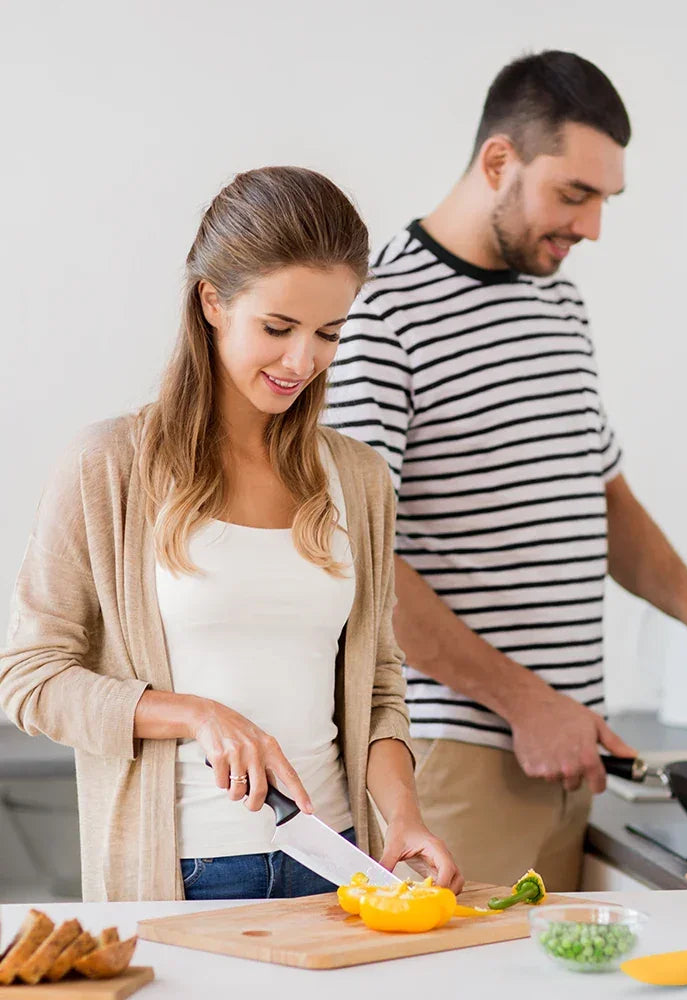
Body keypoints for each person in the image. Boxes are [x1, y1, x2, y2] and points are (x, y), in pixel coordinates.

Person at [324, 51, 687, 891]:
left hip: (566, 748)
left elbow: (598, 496)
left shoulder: (557, 302)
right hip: (457, 757)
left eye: (605, 200)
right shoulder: (377, 314)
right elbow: (361, 566)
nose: (592, 228)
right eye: (574, 195)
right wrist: (524, 704)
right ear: (498, 161)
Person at [0, 166, 461, 902]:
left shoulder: (360, 480)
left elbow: (376, 685)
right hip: (181, 873)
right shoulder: (108, 467)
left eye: (328, 333)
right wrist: (194, 714)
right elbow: (30, 679)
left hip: (335, 865)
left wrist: (401, 812)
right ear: (212, 302)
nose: (302, 361)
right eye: (277, 328)